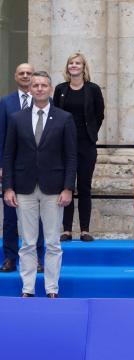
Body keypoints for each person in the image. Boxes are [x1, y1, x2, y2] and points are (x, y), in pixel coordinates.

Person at [3, 71, 77, 298]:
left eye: (44, 85)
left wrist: (67, 188)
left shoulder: (64, 118)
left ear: (50, 88)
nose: (39, 89)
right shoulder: (17, 118)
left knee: (53, 242)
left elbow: (71, 156)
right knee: (27, 242)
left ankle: (52, 289)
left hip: (54, 189)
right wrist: (7, 187)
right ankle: (28, 289)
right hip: (24, 188)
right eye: (35, 85)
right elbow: (9, 155)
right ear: (30, 89)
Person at [54, 53, 105, 242]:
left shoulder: (93, 89)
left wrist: (90, 132)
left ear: (84, 67)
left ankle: (84, 229)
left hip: (86, 144)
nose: (74, 66)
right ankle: (66, 229)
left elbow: (99, 114)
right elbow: (55, 114)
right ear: (67, 67)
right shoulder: (60, 89)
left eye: (78, 63)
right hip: (63, 144)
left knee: (84, 185)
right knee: (66, 185)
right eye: (71, 63)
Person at [0, 63, 44, 273]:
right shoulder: (5, 102)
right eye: (22, 73)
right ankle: (9, 258)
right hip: (12, 168)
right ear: (15, 76)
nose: (25, 76)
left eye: (29, 73)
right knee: (10, 217)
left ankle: (37, 258)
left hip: (38, 170)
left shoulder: (45, 102)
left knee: (39, 217)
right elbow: (1, 136)